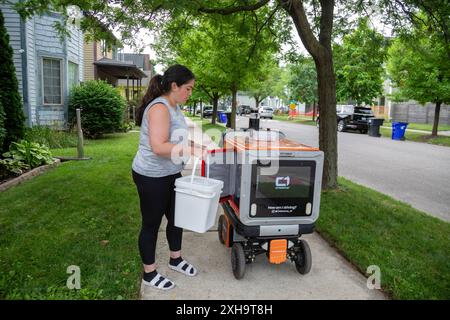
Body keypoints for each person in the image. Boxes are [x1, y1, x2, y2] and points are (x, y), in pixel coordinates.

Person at [132, 64, 205, 290]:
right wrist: (190, 151)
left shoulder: (174, 107)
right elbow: (159, 147)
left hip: (171, 173)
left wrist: (199, 146)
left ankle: (175, 259)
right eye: (189, 88)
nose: (190, 93)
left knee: (176, 218)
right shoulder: (160, 108)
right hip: (151, 175)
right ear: (174, 86)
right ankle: (149, 273)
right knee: (151, 224)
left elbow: (178, 138)